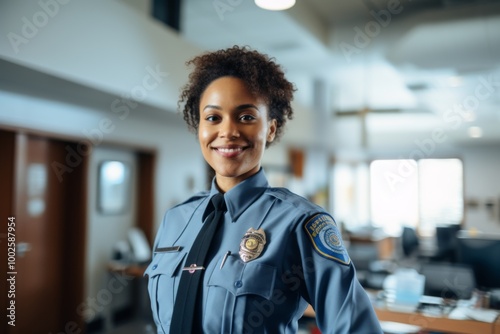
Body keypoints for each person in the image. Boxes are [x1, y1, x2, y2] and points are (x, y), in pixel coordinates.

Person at [145, 45, 383, 334]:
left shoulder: (299, 223)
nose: (228, 131)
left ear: (270, 129)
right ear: (199, 127)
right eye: (213, 117)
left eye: (246, 117)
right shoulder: (175, 219)